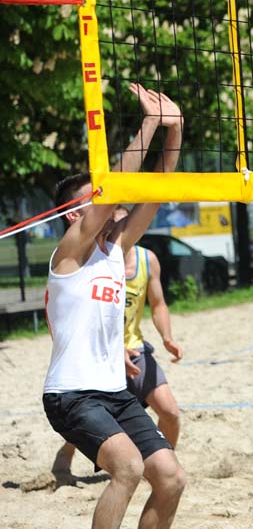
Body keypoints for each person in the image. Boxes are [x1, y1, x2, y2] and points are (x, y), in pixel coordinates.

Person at [43, 84, 187, 529]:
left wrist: (174, 131)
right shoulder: (70, 252)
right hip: (72, 395)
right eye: (99, 197)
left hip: (114, 392)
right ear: (74, 214)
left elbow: (156, 190)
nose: (116, 201)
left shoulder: (116, 248)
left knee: (171, 478)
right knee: (127, 467)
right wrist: (149, 123)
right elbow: (115, 187)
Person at [51, 206, 184, 486]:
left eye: (123, 222)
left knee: (170, 412)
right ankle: (66, 455)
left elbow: (158, 304)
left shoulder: (146, 260)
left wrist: (167, 337)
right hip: (100, 357)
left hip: (136, 350)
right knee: (94, 415)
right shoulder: (87, 261)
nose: (117, 227)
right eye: (113, 220)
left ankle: (161, 467)